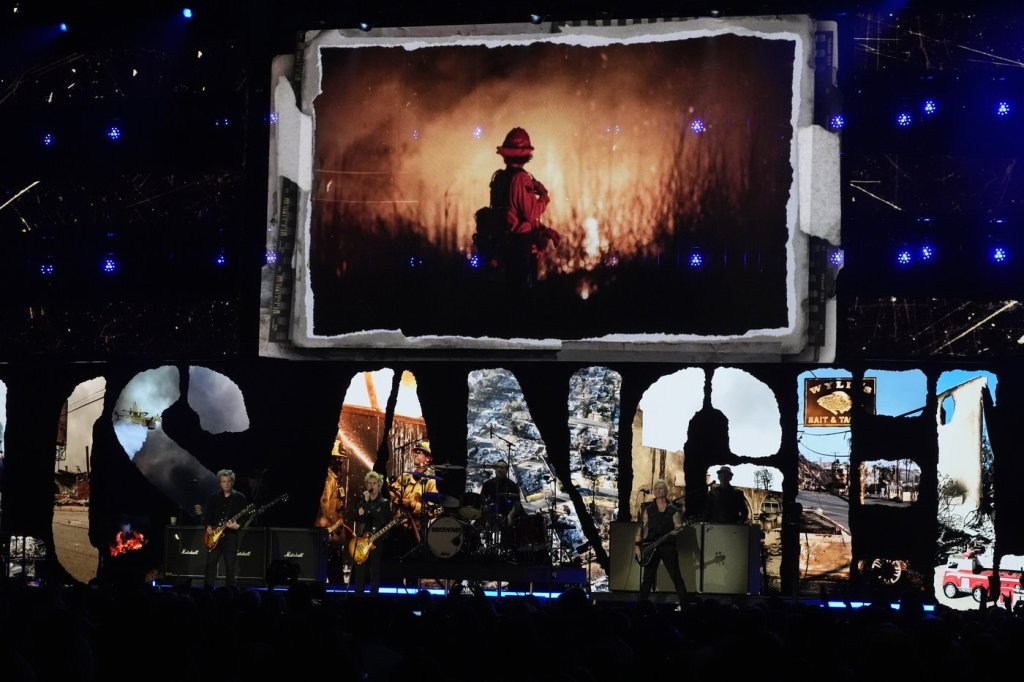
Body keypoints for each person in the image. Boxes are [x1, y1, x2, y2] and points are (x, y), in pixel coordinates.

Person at [485, 127, 560, 290]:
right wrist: (544, 196)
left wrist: (545, 230)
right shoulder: (521, 179)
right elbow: (530, 213)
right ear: (525, 154)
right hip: (521, 247)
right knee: (523, 292)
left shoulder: (501, 177)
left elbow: (514, 213)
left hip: (507, 245)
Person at [635, 479, 688, 607]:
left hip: (668, 547)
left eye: (661, 488)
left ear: (666, 491)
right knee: (647, 578)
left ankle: (685, 605)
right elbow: (641, 527)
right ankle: (641, 607)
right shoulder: (649, 509)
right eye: (656, 488)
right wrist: (637, 544)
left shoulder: (673, 510)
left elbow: (678, 526)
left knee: (676, 576)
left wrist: (677, 531)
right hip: (651, 546)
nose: (659, 490)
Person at [202, 469, 248, 588]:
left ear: (232, 482)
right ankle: (208, 590)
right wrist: (208, 527)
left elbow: (245, 517)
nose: (226, 484)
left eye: (228, 481)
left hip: (231, 536)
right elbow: (207, 516)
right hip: (214, 537)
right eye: (223, 481)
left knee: (230, 566)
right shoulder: (214, 497)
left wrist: (238, 525)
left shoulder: (240, 497)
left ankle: (230, 592)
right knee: (210, 564)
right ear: (220, 483)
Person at [350, 471, 393, 595]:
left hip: (376, 540)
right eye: (369, 483)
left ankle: (374, 596)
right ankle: (358, 595)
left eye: (374, 483)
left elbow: (380, 518)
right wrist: (360, 509)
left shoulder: (384, 502)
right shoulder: (362, 500)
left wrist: (367, 505)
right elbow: (356, 517)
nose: (371, 485)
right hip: (362, 540)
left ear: (379, 486)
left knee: (374, 569)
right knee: (359, 569)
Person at [393, 440, 440, 542]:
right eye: (415, 452)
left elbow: (432, 510)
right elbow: (392, 493)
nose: (415, 454)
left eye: (419, 452)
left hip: (414, 533)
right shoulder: (405, 476)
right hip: (396, 527)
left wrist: (411, 504)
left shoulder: (431, 482)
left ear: (428, 458)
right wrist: (396, 498)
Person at [479, 460, 524, 552]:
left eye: (502, 468)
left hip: (506, 514)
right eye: (497, 467)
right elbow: (482, 500)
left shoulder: (512, 485)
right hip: (491, 514)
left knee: (509, 528)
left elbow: (517, 503)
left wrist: (510, 516)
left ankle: (507, 549)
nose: (499, 469)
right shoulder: (487, 484)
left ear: (506, 470)